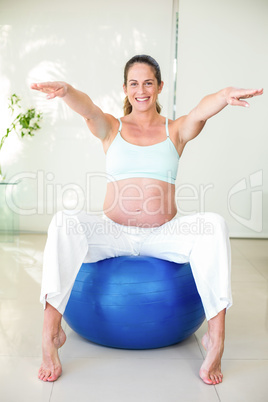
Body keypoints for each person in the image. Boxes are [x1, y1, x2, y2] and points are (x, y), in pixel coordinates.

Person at [31, 54, 263, 385]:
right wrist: (67, 91)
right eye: (134, 83)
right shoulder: (112, 127)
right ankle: (51, 333)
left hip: (163, 234)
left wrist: (224, 96)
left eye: (148, 83)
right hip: (112, 233)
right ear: (125, 88)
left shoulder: (175, 130)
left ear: (159, 86)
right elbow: (89, 110)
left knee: (214, 225)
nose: (141, 90)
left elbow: (200, 110)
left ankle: (216, 339)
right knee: (63, 221)